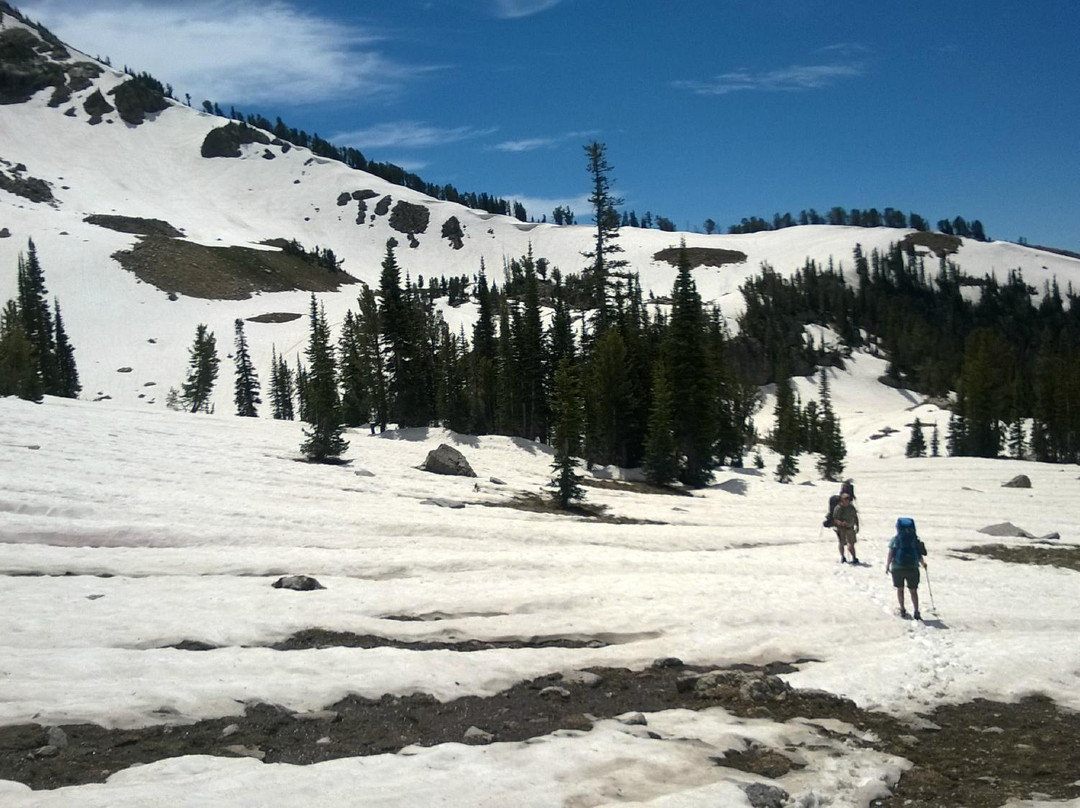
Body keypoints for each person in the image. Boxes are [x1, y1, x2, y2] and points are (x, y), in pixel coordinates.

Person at [886, 517, 928, 619]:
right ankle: (916, 611)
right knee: (913, 590)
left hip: (898, 567)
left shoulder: (895, 539)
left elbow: (891, 553)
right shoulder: (914, 540)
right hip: (912, 567)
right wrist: (923, 563)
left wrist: (887, 565)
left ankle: (902, 609)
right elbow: (918, 554)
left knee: (900, 589)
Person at [832, 491, 859, 563]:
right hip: (841, 529)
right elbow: (835, 518)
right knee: (841, 543)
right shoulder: (838, 508)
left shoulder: (851, 507)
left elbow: (855, 516)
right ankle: (843, 557)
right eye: (845, 498)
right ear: (842, 499)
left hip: (850, 528)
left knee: (851, 544)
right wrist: (841, 523)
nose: (847, 500)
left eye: (848, 498)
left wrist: (857, 525)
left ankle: (854, 557)